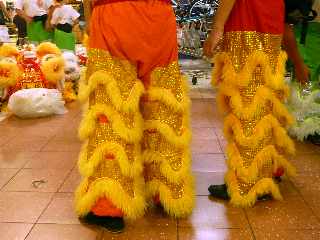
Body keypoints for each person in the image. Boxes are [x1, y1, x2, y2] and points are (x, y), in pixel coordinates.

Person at [75, 0, 194, 233]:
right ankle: (169, 193)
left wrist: (90, 18)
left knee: (112, 109)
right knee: (161, 105)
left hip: (113, 15)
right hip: (159, 18)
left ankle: (108, 205)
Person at [204, 0, 297, 207]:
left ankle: (246, 184)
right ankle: (263, 175)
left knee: (247, 106)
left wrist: (217, 28)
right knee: (263, 104)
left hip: (247, 24)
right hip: (269, 22)